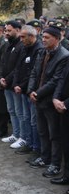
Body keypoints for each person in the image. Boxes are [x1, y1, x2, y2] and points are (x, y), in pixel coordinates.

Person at [27, 26, 69, 178]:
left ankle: (55, 164)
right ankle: (45, 158)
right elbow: (34, 72)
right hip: (38, 99)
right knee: (42, 131)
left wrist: (37, 93)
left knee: (54, 134)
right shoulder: (42, 52)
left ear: (57, 39)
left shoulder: (64, 56)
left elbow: (56, 80)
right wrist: (31, 90)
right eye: (42, 37)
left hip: (50, 101)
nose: (43, 40)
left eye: (47, 38)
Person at [12, 25, 43, 159]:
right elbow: (19, 68)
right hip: (23, 90)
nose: (21, 39)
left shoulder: (39, 49)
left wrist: (23, 86)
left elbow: (33, 72)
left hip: (31, 91)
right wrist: (16, 84)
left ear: (31, 36)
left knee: (34, 121)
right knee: (26, 118)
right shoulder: (25, 48)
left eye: (23, 36)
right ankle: (29, 143)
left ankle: (36, 147)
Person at [0, 20, 25, 148]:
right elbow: (3, 63)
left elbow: (18, 67)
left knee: (19, 112)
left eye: (9, 30)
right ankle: (15, 133)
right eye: (6, 30)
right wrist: (1, 77)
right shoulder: (8, 44)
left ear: (18, 30)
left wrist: (7, 79)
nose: (6, 33)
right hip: (6, 84)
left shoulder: (21, 45)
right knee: (12, 110)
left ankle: (22, 137)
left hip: (15, 84)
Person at [51, 60, 69, 194]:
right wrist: (56, 98)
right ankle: (67, 176)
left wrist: (65, 104)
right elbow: (62, 79)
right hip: (63, 108)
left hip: (65, 106)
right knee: (66, 145)